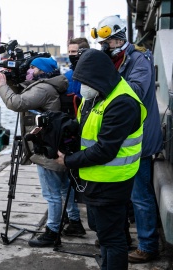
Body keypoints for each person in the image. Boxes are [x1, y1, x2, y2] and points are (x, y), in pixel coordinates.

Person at [55, 49, 146, 270]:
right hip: (95, 178)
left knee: (113, 238)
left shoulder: (122, 102)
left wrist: (68, 161)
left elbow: (106, 149)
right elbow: (84, 130)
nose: (83, 86)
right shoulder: (96, 94)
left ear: (99, 76)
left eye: (86, 81)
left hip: (112, 181)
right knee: (102, 231)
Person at [92, 15, 163, 263]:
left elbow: (134, 95)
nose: (105, 46)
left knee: (140, 196)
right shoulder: (116, 60)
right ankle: (122, 237)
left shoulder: (138, 60)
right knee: (121, 194)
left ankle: (148, 246)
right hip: (123, 140)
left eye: (109, 42)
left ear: (120, 38)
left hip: (139, 142)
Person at [0, 57, 86, 247]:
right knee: (63, 188)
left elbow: (17, 103)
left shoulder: (43, 89)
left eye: (33, 67)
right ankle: (74, 222)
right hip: (55, 143)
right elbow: (25, 89)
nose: (29, 70)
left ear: (42, 71)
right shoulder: (50, 84)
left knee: (51, 193)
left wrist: (2, 85)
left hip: (46, 147)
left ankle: (52, 232)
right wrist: (12, 79)